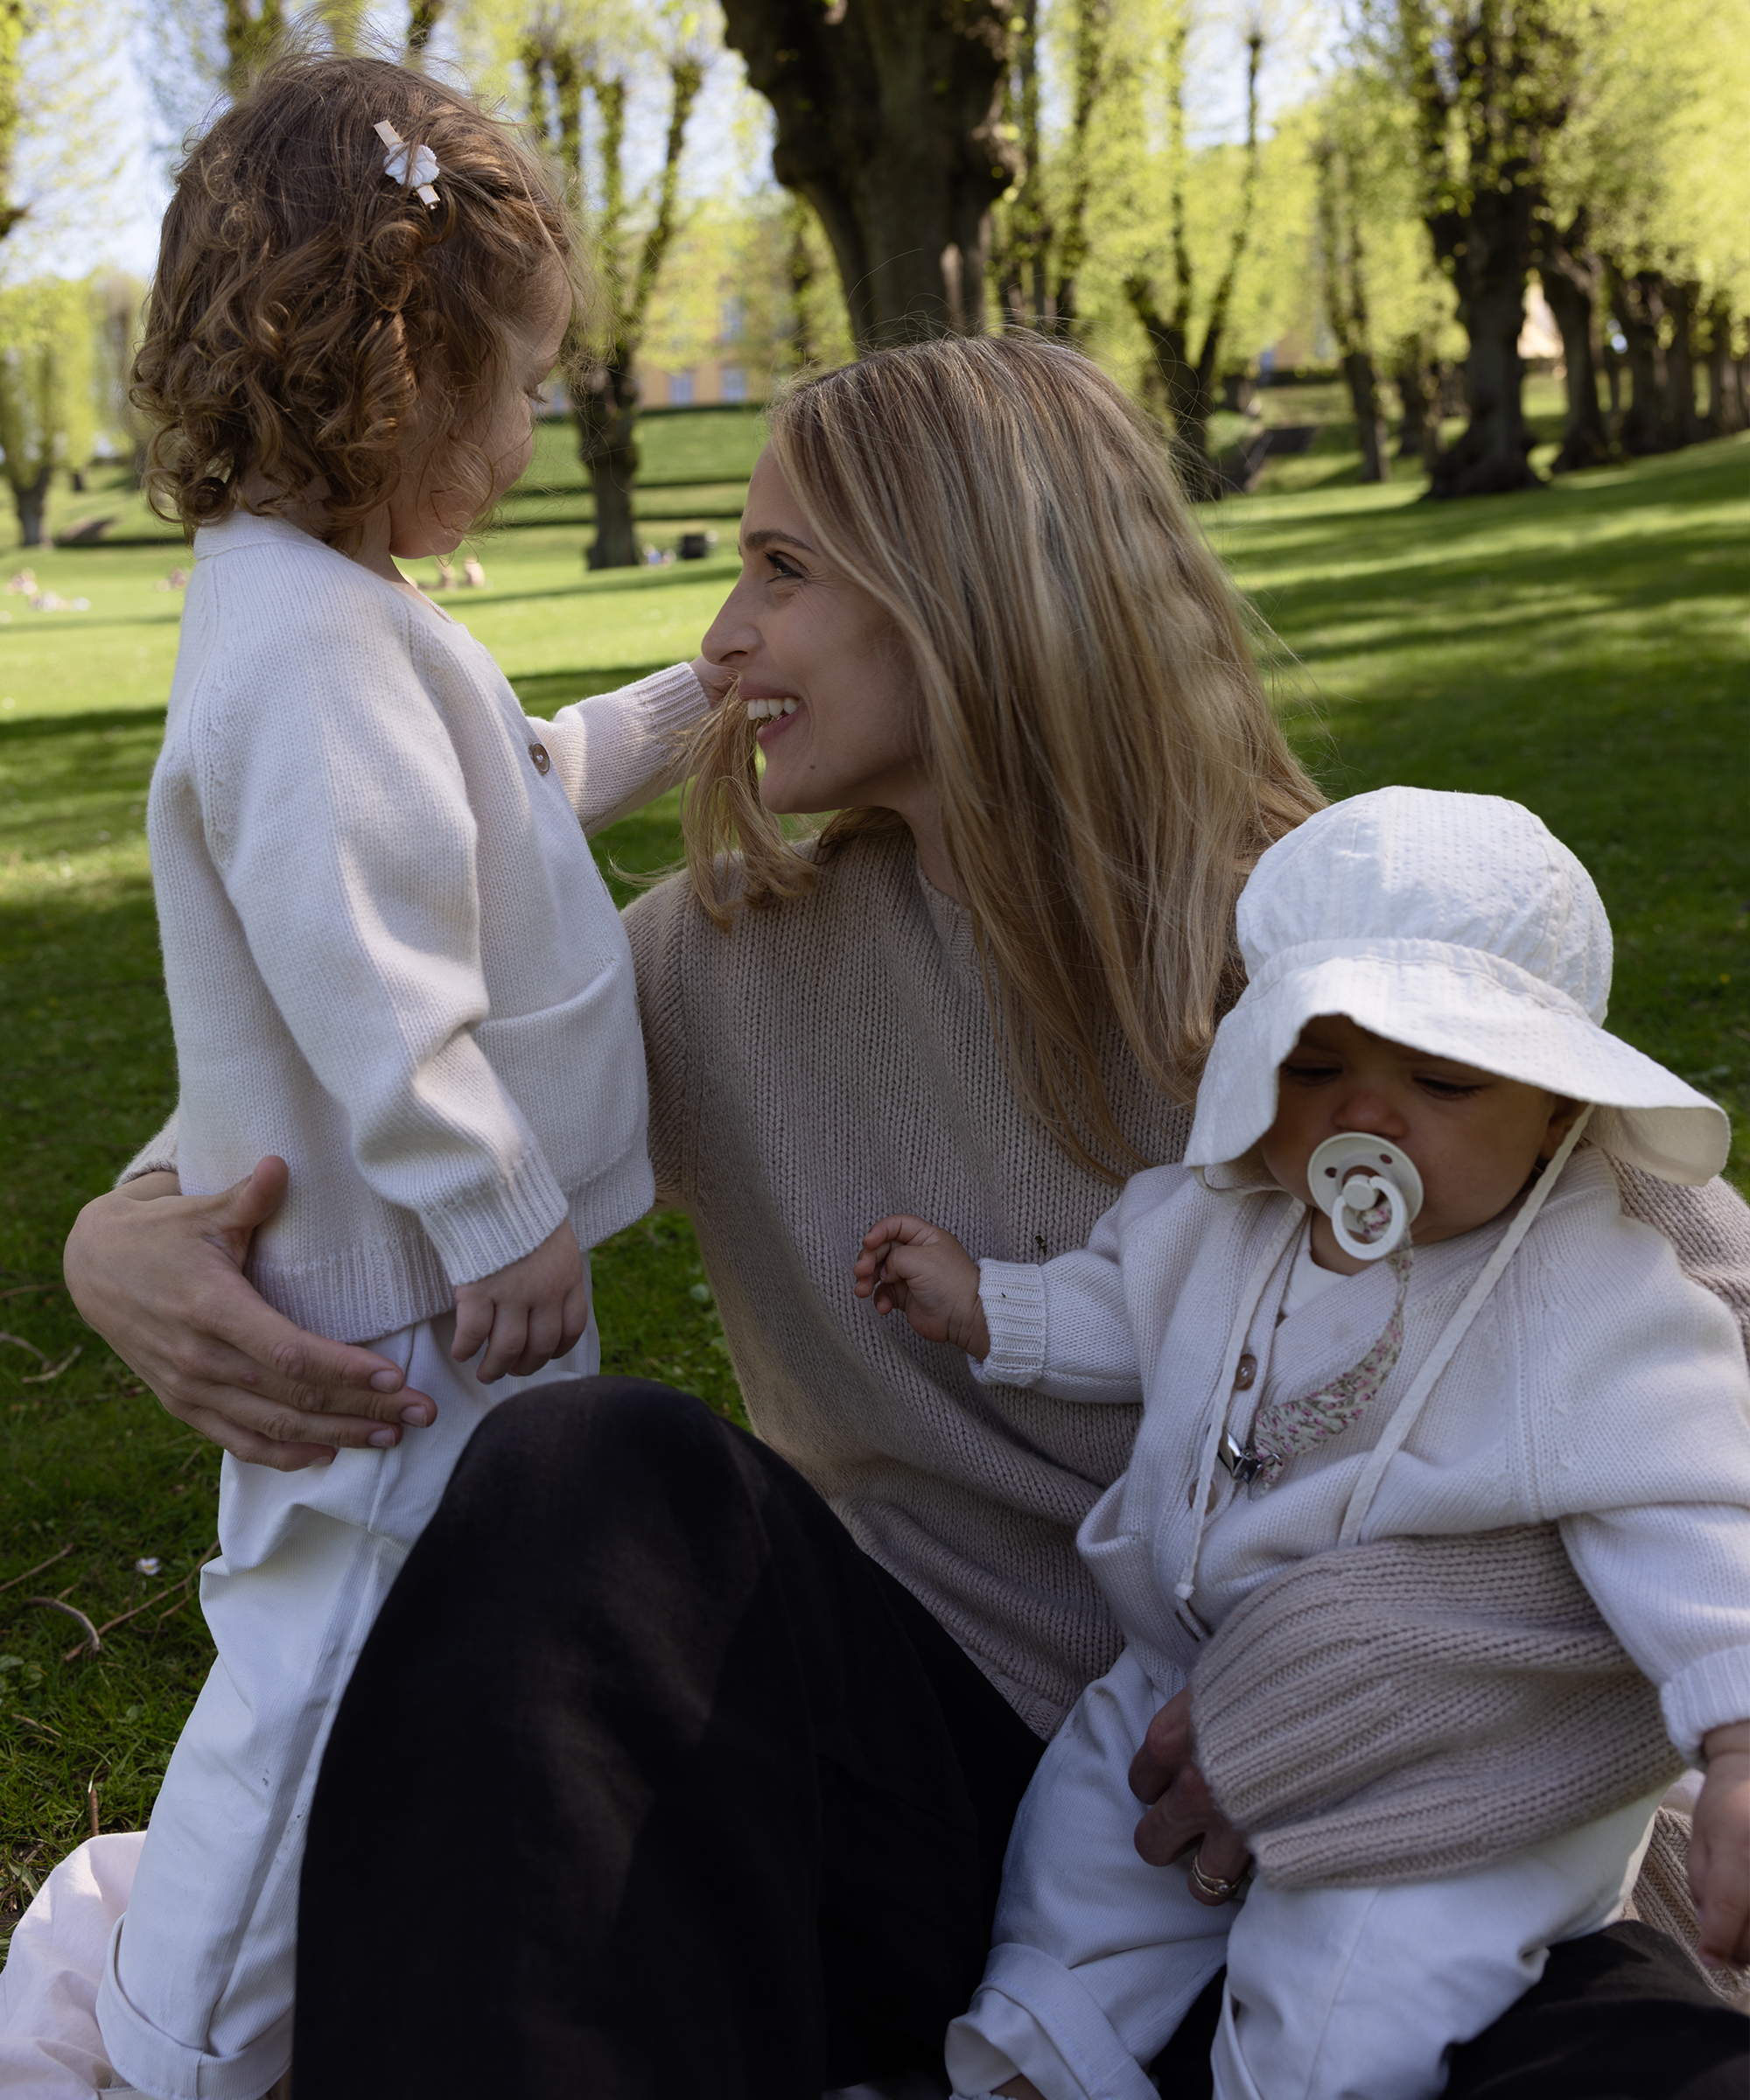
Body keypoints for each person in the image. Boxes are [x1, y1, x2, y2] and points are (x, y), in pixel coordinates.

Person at [18, 337, 1750, 2099]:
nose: (719, 645)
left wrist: (1382, 1678)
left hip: (1410, 1827)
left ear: (964, 584)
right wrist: (128, 1234)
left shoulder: (1344, 972)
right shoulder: (730, 957)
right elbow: (370, 1079)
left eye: (783, 569)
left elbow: (1702, 1373)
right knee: (589, 1481)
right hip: (946, 1778)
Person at [30, 54, 718, 2100]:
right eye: (514, 388)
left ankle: (362, 1978)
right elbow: (370, 972)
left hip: (431, 1287)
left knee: (436, 1669)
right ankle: (172, 2043)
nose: (528, 436)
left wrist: (688, 709)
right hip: (406, 1308)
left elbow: (496, 808)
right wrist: (498, 1203)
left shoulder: (339, 616)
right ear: (394, 367)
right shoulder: (304, 645)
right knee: (326, 1670)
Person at [855, 788, 1750, 2100]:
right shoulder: (1221, 1219)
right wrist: (999, 1308)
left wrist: (1736, 1740)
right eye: (1315, 1068)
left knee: (1352, 1983)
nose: (1363, 1122)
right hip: (1185, 1669)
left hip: (1461, 1755)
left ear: (1560, 1112)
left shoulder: (1584, 1290)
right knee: (1082, 1867)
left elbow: (1693, 1505)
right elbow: (1130, 1308)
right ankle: (1030, 2073)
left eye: (1442, 1080)